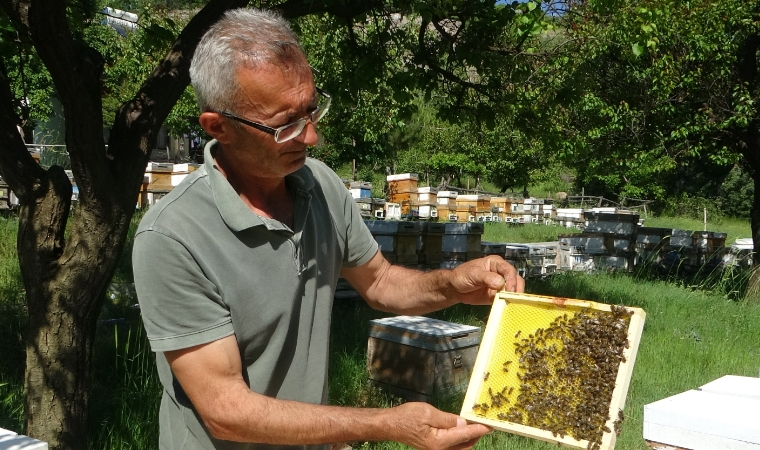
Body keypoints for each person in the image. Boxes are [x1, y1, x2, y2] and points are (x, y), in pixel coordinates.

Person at [132, 8, 525, 450]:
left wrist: (453, 284)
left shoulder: (320, 184)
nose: (311, 135)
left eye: (311, 110)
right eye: (285, 125)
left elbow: (379, 281)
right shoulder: (173, 237)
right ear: (218, 127)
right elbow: (225, 410)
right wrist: (383, 424)